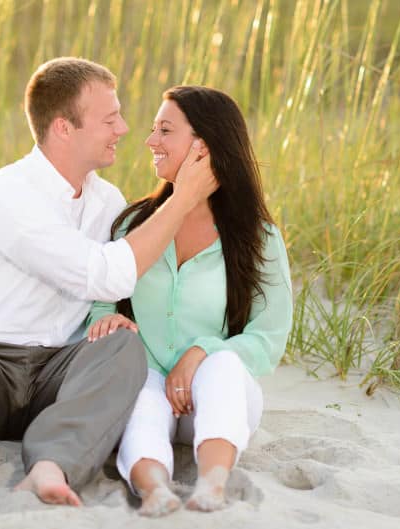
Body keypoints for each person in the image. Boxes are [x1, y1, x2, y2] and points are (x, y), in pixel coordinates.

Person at [0, 57, 218, 523]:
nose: (124, 129)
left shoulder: (106, 201)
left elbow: (114, 292)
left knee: (121, 345)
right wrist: (184, 197)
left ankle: (50, 468)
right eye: (110, 119)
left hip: (59, 375)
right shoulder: (7, 195)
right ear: (63, 128)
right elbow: (108, 273)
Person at [84, 85, 293, 517]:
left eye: (165, 130)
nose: (149, 141)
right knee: (138, 388)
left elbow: (268, 337)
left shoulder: (259, 238)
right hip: (150, 382)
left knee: (222, 366)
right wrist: (109, 323)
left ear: (203, 146)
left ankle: (212, 485)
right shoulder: (132, 225)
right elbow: (103, 298)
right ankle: (154, 490)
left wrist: (202, 351)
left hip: (217, 399)